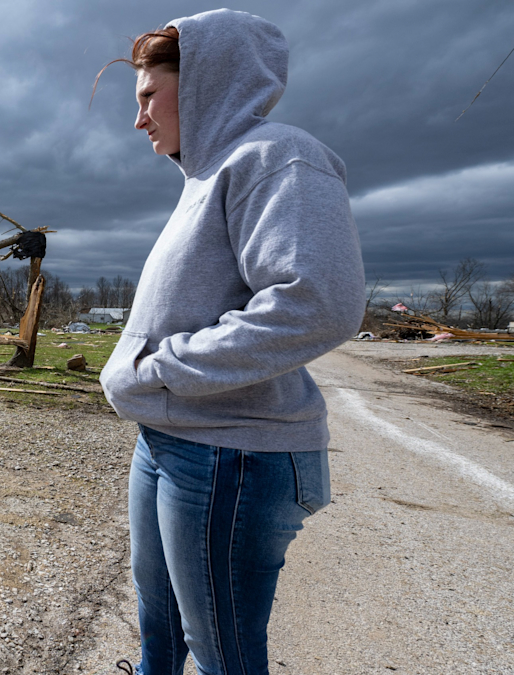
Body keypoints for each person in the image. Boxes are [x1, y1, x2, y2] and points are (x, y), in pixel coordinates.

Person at [94, 10, 365, 675]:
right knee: (158, 631)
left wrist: (161, 368)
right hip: (171, 440)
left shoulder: (278, 157)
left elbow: (317, 303)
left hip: (232, 455)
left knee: (224, 657)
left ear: (202, 84)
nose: (138, 119)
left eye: (148, 96)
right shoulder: (203, 180)